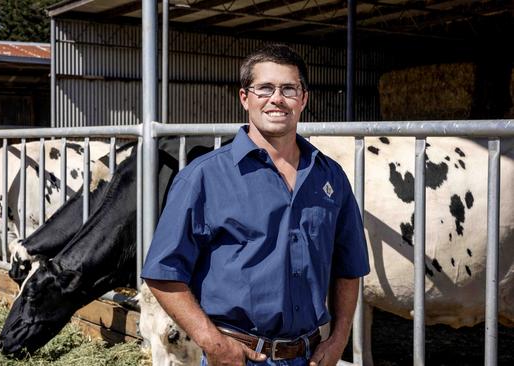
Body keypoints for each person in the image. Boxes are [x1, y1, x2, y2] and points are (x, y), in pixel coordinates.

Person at [141, 43, 370, 366]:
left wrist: (339, 338)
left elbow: (349, 268)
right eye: (265, 88)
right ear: (244, 97)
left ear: (304, 98)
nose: (277, 99)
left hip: (310, 355)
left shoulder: (330, 177)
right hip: (238, 356)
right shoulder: (203, 177)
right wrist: (214, 344)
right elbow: (163, 274)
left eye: (289, 89)